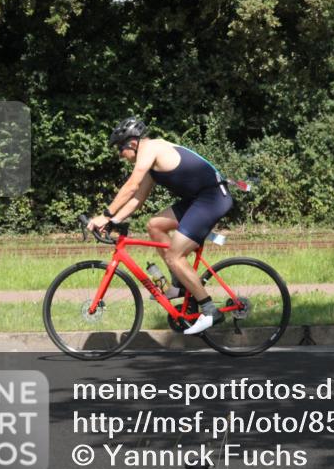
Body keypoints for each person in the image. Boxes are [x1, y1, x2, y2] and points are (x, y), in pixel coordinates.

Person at [86, 117, 233, 335]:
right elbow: (137, 198)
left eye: (120, 149)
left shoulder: (151, 148)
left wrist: (104, 214)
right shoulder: (150, 163)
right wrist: (113, 220)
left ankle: (210, 310)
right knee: (154, 225)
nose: (119, 155)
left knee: (175, 256)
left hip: (211, 199)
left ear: (132, 143)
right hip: (198, 200)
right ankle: (180, 284)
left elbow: (131, 185)